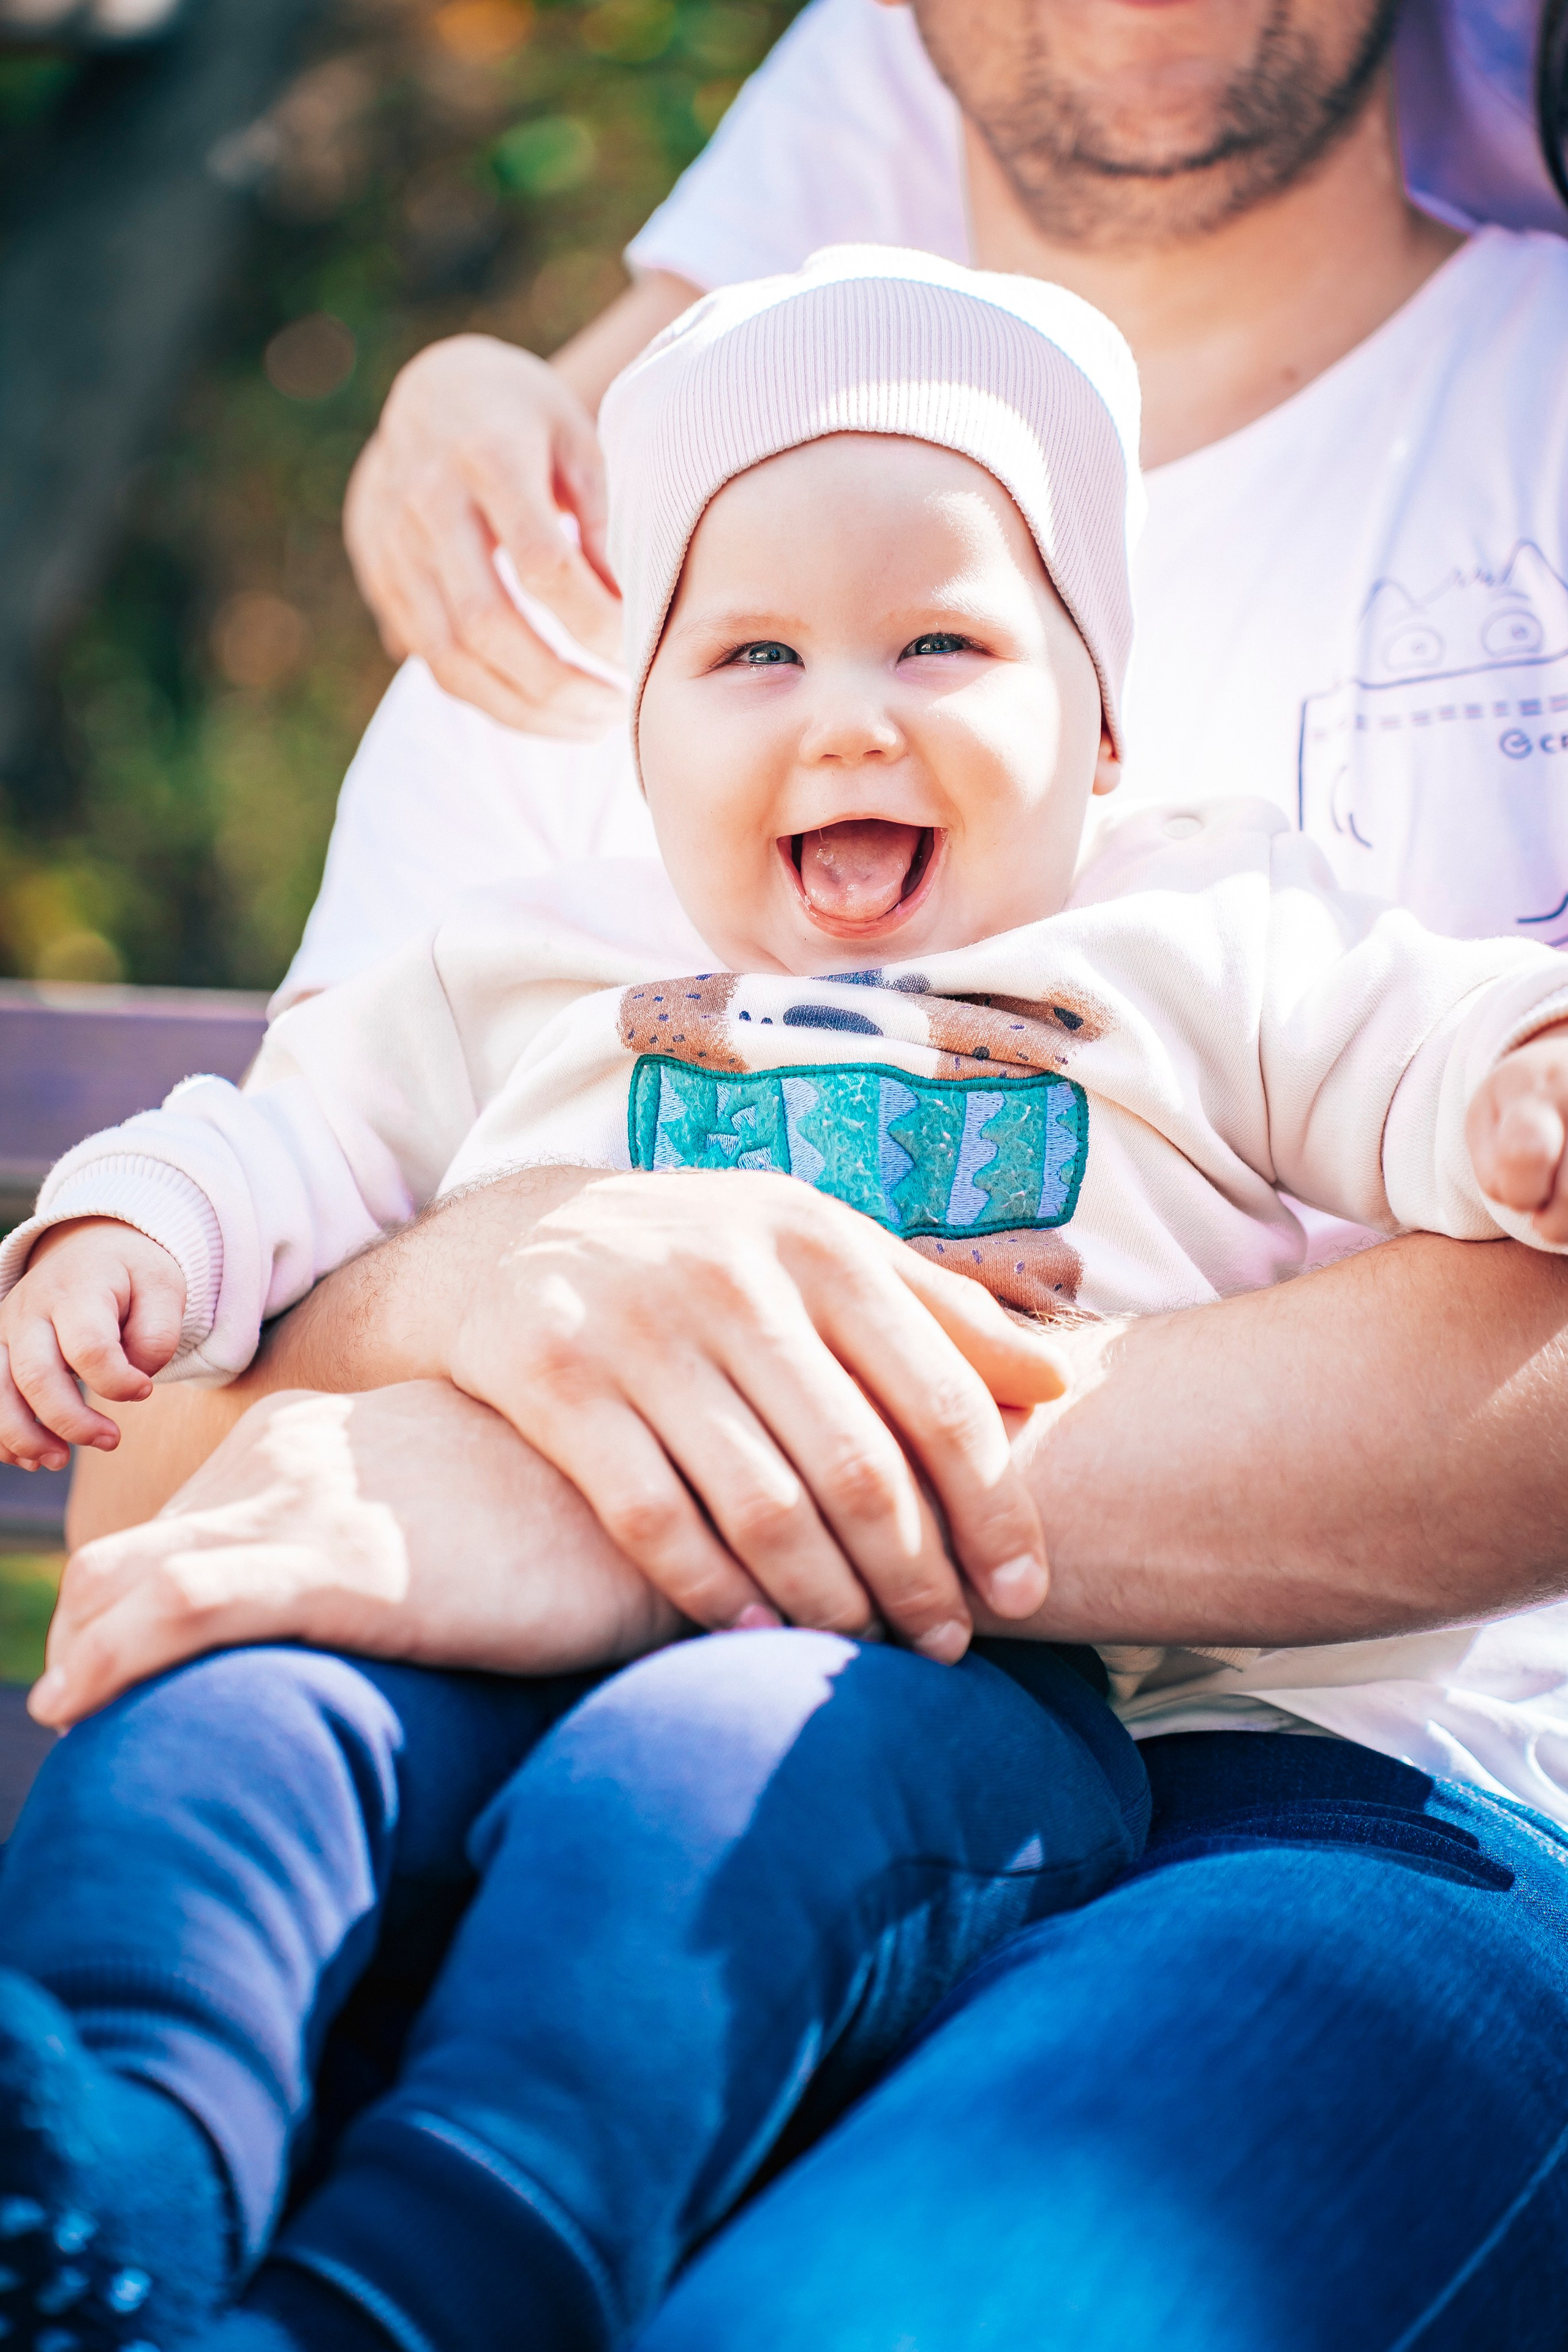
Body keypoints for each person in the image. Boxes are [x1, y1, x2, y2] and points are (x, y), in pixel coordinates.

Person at [7, 245, 1568, 2352]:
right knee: (232, 1703)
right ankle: (110, 2162)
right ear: (642, 739)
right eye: (750, 653)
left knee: (697, 1788)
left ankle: (413, 2285)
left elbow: (1422, 1042)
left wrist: (1519, 1094)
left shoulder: (1206, 930)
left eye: (943, 640)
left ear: (1102, 723)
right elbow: (291, 1147)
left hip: (946, 1677)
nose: (849, 711)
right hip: (463, 1601)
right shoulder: (526, 968)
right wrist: (128, 1240)